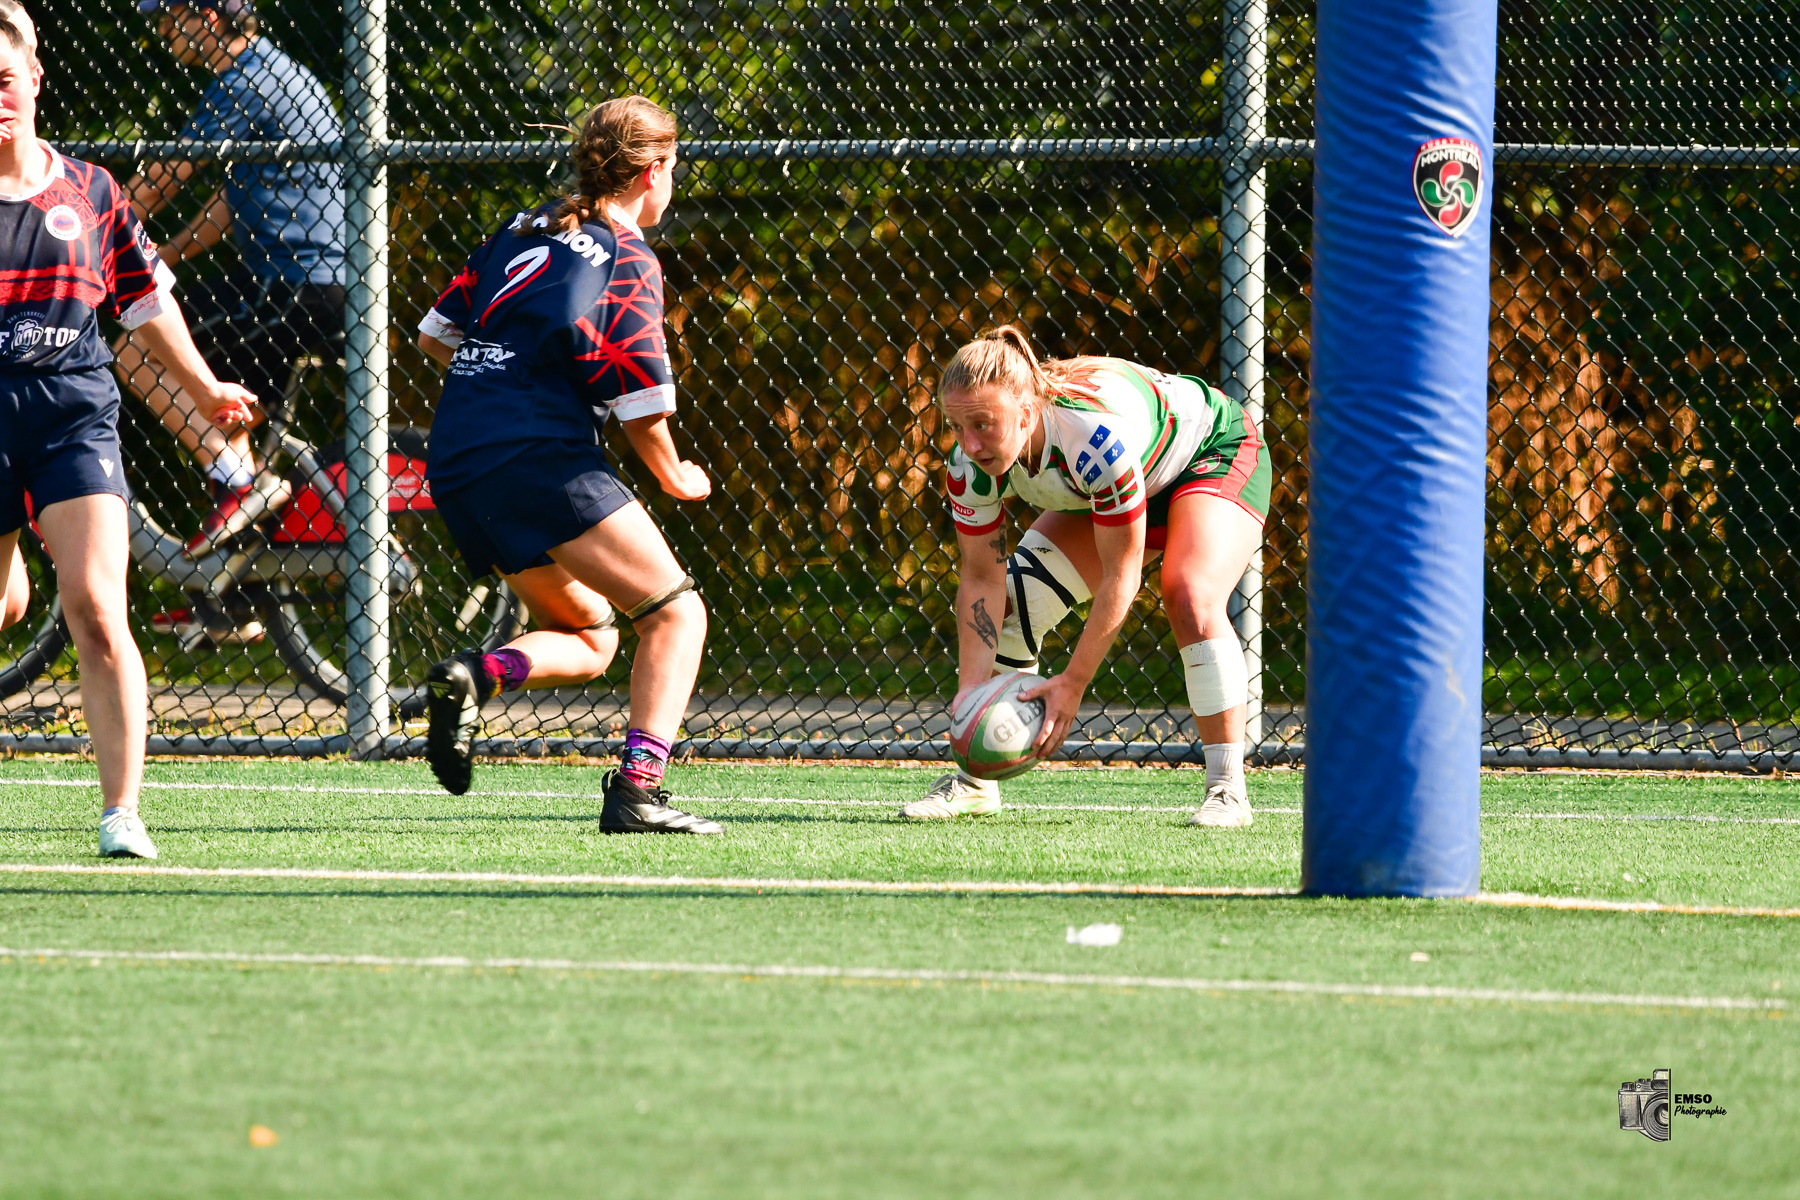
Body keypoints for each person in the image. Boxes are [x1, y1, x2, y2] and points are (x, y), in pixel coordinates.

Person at [415, 95, 719, 835]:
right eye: (674, 169)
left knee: (591, 634)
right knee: (677, 614)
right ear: (653, 171)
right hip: (538, 455)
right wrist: (674, 472)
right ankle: (639, 794)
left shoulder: (528, 226)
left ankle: (475, 675)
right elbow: (640, 387)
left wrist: (516, 368)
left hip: (458, 459)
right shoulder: (625, 252)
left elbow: (435, 335)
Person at [0, 20, 256, 856]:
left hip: (73, 414)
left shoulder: (91, 190)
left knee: (98, 609)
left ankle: (120, 813)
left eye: (6, 77)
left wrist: (206, 387)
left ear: (35, 75)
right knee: (7, 605)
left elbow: (147, 302)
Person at [903, 327, 1270, 827]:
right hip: (1111, 484)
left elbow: (1124, 575)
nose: (970, 443)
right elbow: (981, 579)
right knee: (1012, 601)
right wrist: (970, 695)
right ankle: (975, 783)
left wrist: (1072, 684)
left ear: (1027, 413)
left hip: (1209, 454)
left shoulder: (1092, 441)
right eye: (957, 426)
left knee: (1189, 595)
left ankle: (1227, 789)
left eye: (984, 424)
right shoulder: (970, 464)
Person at [113, 0, 345, 566]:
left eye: (170, 18)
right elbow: (228, 207)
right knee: (225, 410)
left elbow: (166, 177)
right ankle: (232, 591)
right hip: (312, 281)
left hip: (292, 283)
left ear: (209, 18)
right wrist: (159, 256)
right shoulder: (278, 71)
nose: (163, 33)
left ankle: (243, 483)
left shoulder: (245, 81)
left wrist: (91, 227)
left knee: (136, 346)